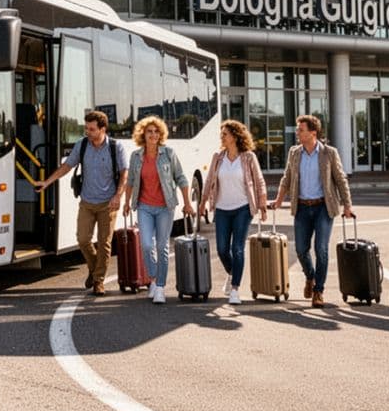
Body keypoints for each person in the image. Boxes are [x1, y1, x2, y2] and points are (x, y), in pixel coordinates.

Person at [36, 110, 127, 296]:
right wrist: (47, 182)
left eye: (91, 129)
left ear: (103, 129)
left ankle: (98, 281)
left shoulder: (115, 147)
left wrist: (118, 196)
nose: (88, 132)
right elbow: (66, 166)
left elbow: (125, 174)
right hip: (87, 202)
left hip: (107, 204)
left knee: (104, 243)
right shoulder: (82, 145)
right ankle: (94, 271)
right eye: (86, 128)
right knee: (83, 240)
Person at [270, 114, 354, 308]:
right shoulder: (294, 152)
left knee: (321, 249)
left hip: (323, 207)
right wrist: (279, 199)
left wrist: (347, 205)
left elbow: (341, 180)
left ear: (313, 133)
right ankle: (310, 276)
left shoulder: (329, 153)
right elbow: (287, 178)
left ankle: (319, 290)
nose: (298, 133)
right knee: (300, 249)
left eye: (301, 130)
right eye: (298, 130)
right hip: (302, 208)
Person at [122, 115, 195, 304]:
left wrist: (187, 203)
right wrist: (126, 202)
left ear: (160, 134)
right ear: (143, 134)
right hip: (144, 206)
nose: (153, 135)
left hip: (165, 207)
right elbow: (130, 182)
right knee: (146, 244)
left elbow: (181, 178)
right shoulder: (136, 156)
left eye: (156, 131)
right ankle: (153, 280)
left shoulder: (169, 153)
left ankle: (160, 287)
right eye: (149, 131)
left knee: (162, 246)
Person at [199, 119, 266, 305]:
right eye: (222, 134)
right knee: (221, 249)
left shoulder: (248, 157)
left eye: (225, 133)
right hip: (221, 208)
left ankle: (235, 289)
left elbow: (259, 181)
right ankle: (232, 272)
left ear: (235, 136)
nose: (222, 136)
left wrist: (262, 205)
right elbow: (209, 181)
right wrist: (203, 201)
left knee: (237, 248)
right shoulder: (218, 157)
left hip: (243, 208)